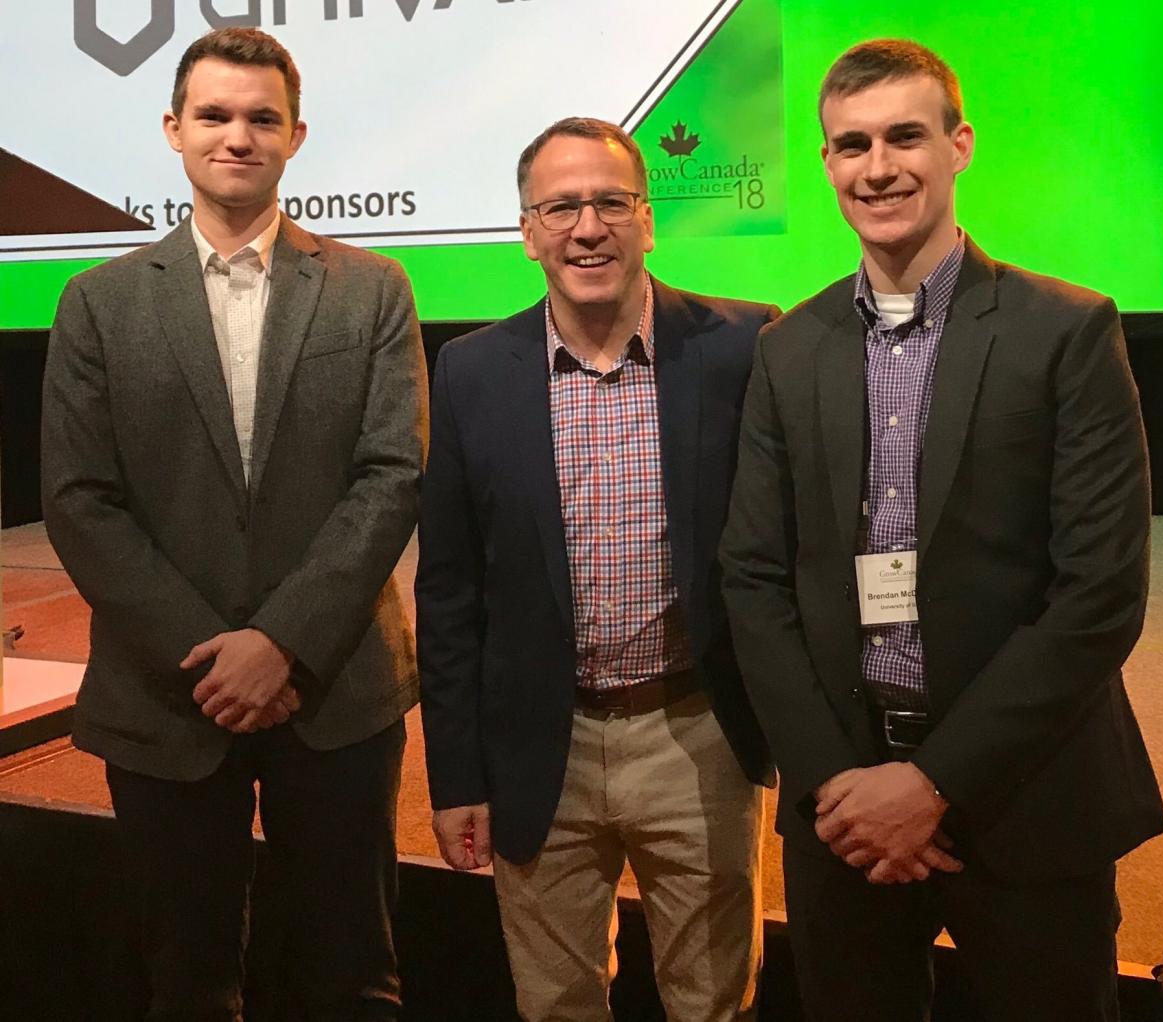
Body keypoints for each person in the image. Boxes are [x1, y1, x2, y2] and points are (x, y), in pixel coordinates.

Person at [719, 38, 1163, 1022]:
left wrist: (930, 784)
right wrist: (841, 782)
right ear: (828, 164)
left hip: (1026, 795)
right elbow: (752, 578)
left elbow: (1098, 594)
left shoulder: (1067, 330)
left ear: (959, 144)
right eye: (851, 144)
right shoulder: (789, 349)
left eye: (905, 136)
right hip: (845, 812)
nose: (878, 167)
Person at [41, 27, 428, 1021]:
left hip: (336, 688)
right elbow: (82, 499)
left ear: (296, 135)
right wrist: (215, 656)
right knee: (189, 983)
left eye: (262, 118)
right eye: (214, 115)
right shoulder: (96, 302)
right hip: (168, 697)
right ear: (174, 129)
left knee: (352, 979)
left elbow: (391, 473)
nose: (237, 136)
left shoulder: (374, 287)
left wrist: (283, 643)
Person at [416, 117, 777, 1021]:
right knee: (557, 1004)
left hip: (696, 734)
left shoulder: (741, 347)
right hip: (543, 743)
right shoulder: (468, 372)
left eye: (610, 202)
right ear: (528, 232)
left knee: (714, 1003)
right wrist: (456, 775)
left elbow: (784, 556)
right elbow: (450, 591)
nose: (587, 227)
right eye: (561, 207)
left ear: (648, 220)